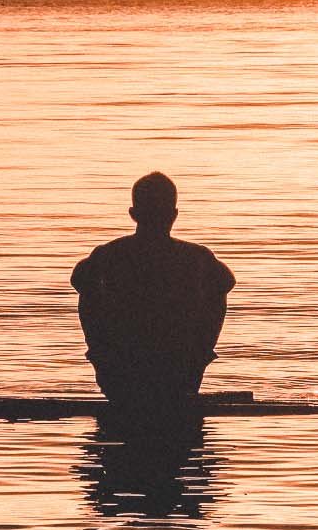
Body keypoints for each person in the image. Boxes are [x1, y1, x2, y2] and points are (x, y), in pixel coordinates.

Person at [71, 172, 234, 423]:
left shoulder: (109, 255)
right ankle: (197, 359)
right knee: (217, 291)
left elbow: (79, 279)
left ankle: (103, 358)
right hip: (178, 375)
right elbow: (226, 282)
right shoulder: (196, 257)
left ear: (133, 214)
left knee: (89, 290)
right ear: (174, 215)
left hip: (121, 375)